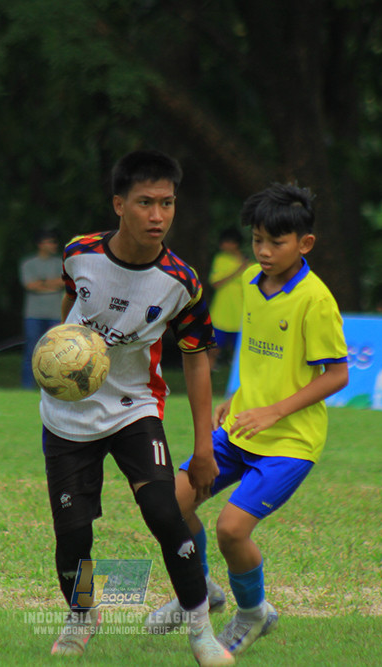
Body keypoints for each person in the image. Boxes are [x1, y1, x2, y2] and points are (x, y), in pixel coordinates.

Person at [42, 150, 233, 666]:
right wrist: (63, 355)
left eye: (167, 203)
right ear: (119, 205)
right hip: (68, 415)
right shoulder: (79, 254)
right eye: (145, 203)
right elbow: (70, 304)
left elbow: (196, 363)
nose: (158, 215)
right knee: (73, 533)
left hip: (133, 408)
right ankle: (82, 614)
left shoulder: (182, 284)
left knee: (164, 512)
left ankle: (200, 630)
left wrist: (202, 447)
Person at [145, 183, 349, 657]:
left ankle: (254, 613)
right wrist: (236, 398)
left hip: (289, 442)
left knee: (232, 530)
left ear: (305, 244)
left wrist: (274, 410)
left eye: (275, 243)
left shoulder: (315, 300)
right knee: (168, 507)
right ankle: (200, 591)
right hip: (239, 429)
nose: (263, 250)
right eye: (257, 239)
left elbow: (337, 374)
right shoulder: (252, 284)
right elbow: (259, 359)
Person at [20, 229, 64, 389]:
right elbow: (30, 285)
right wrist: (52, 284)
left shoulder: (60, 263)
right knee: (31, 351)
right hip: (33, 314)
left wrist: (42, 284)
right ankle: (27, 387)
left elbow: (63, 282)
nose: (54, 245)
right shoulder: (28, 263)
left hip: (55, 313)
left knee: (56, 352)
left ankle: (54, 387)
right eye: (50, 242)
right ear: (40, 244)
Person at [207, 226, 250, 372]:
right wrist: (238, 270)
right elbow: (215, 282)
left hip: (240, 317)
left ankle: (236, 387)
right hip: (220, 315)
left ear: (235, 243)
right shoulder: (220, 259)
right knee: (213, 351)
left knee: (240, 354)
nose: (222, 245)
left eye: (226, 242)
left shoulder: (250, 265)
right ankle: (206, 384)